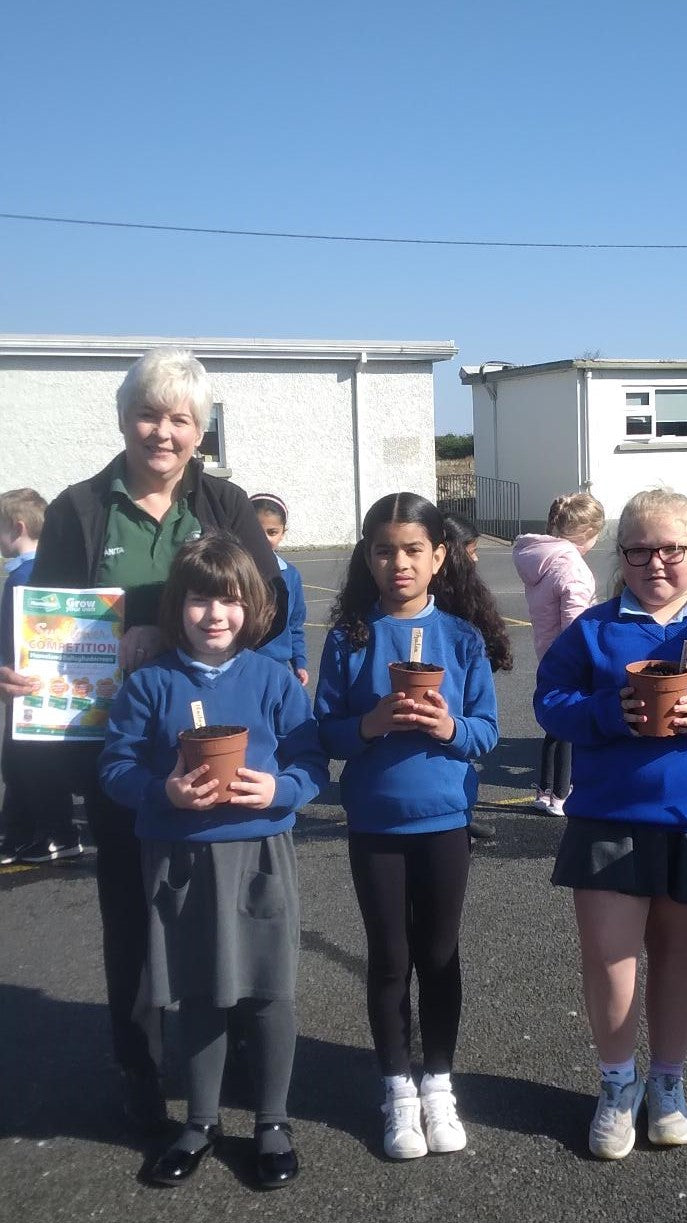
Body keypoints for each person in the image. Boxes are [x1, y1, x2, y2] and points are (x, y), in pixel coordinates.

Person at [0, 348, 286, 1131]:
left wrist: (178, 636)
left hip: (221, 739)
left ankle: (244, 1064)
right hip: (120, 747)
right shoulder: (78, 508)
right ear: (125, 418)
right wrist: (29, 672)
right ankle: (139, 1066)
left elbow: (273, 611)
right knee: (132, 912)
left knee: (229, 904)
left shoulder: (223, 502)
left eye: (180, 419)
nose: (163, 431)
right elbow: (51, 620)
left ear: (200, 429)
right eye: (149, 414)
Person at [535, 488, 687, 1161]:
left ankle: (666, 1082)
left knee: (676, 953)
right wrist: (609, 713)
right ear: (620, 555)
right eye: (638, 549)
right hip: (607, 815)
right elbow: (550, 702)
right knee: (609, 957)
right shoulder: (593, 627)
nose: (654, 561)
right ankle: (618, 1084)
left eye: (671, 547)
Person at [98, 534, 327, 1189]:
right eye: (200, 599)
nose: (214, 614)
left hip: (257, 854)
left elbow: (310, 760)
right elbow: (115, 764)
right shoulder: (149, 684)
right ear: (179, 605)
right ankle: (199, 1121)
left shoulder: (273, 679)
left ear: (251, 606)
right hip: (179, 860)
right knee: (194, 990)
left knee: (266, 991)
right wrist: (161, 790)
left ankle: (273, 1120)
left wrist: (279, 788)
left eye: (228, 599)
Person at [314, 493, 500, 1160]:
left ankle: (438, 1082)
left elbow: (485, 730)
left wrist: (446, 725)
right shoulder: (349, 636)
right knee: (389, 957)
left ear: (438, 556)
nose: (399, 562)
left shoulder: (461, 637)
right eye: (385, 550)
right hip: (375, 820)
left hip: (444, 817)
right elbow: (326, 728)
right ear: (368, 557)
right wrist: (370, 723)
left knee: (439, 953)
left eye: (413, 549)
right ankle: (396, 1087)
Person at [0, 489, 80, 863]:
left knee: (31, 763)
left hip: (30, 686)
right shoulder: (33, 572)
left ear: (17, 528)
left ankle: (55, 834)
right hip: (29, 684)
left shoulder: (28, 578)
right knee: (20, 763)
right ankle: (24, 832)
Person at [513, 493, 604, 815]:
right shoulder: (572, 567)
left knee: (554, 724)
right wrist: (589, 658)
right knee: (569, 724)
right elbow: (576, 622)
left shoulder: (539, 557)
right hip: (569, 655)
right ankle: (562, 795)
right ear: (588, 534)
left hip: (546, 648)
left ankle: (545, 790)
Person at [442, 511, 513, 840]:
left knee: (465, 734)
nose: (476, 556)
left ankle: (463, 812)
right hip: (444, 682)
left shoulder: (463, 590)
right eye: (471, 550)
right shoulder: (438, 595)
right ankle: (458, 812)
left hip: (465, 678)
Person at [250, 493, 309, 684]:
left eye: (272, 532)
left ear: (283, 532)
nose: (265, 539)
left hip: (277, 667)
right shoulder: (234, 573)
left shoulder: (290, 575)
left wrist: (299, 661)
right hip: (240, 664)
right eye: (257, 532)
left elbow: (294, 625)